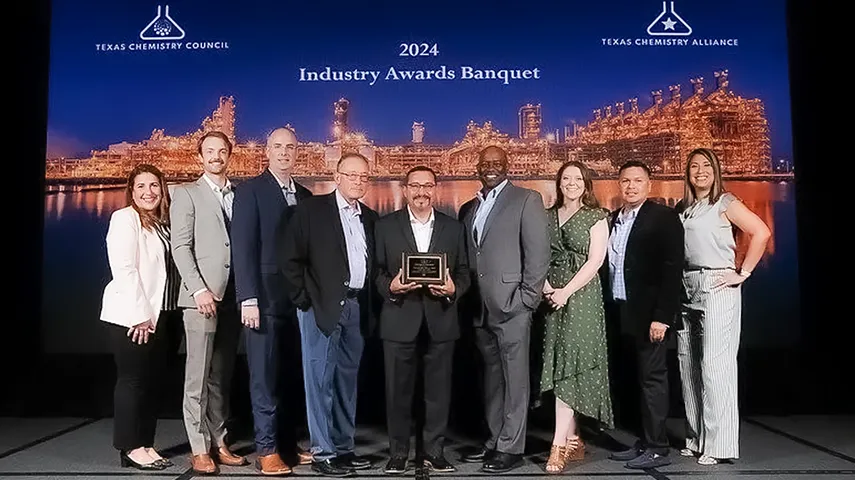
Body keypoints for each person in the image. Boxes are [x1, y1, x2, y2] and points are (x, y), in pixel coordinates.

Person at [279, 152, 379, 477]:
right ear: (337, 177)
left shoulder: (371, 217)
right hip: (319, 307)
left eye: (364, 176)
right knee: (319, 382)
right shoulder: (311, 210)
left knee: (346, 382)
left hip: (356, 308)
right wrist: (303, 301)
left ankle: (344, 448)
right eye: (352, 175)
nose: (358, 181)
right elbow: (290, 259)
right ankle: (323, 454)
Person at [675, 148, 771, 465]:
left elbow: (761, 232)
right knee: (688, 364)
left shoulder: (725, 202)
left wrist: (742, 272)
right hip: (686, 285)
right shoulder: (684, 208)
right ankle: (696, 437)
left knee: (715, 368)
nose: (700, 171)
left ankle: (718, 445)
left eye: (706, 166)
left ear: (715, 171)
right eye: (694, 167)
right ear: (687, 173)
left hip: (717, 283)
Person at [458, 146, 550, 473]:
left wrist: (527, 299)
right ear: (478, 168)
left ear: (507, 166)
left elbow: (538, 256)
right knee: (492, 378)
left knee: (515, 379)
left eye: (497, 163)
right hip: (479, 308)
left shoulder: (527, 199)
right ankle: (496, 439)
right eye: (486, 164)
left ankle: (512, 446)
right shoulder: (470, 207)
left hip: (513, 305)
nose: (491, 167)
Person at [374, 166, 470, 475]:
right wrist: (391, 286)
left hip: (441, 318)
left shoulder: (454, 228)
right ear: (404, 190)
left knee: (438, 393)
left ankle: (435, 452)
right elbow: (376, 272)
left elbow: (465, 272)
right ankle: (399, 452)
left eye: (427, 186)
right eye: (415, 186)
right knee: (396, 393)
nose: (421, 192)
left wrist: (455, 288)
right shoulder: (385, 226)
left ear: (436, 189)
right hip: (399, 316)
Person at [232, 127, 312, 475]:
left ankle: (289, 447)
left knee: (291, 375)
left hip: (298, 302)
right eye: (277, 147)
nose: (284, 153)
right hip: (262, 301)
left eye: (290, 148)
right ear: (267, 151)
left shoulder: (306, 195)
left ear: (297, 153)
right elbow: (243, 247)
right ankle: (267, 450)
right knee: (264, 377)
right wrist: (246, 297)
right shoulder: (250, 191)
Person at [171, 131, 247, 475]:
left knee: (221, 376)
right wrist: (199, 289)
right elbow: (180, 247)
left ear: (229, 155)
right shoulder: (187, 194)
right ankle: (199, 448)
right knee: (197, 377)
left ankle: (220, 441)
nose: (216, 156)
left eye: (221, 151)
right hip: (202, 298)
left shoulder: (239, 194)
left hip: (233, 297)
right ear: (200, 156)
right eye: (209, 151)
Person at [604, 160, 684, 470]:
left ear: (648, 185)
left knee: (653, 381)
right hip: (621, 312)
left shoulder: (663, 218)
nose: (631, 186)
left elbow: (671, 270)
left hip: (650, 316)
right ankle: (643, 440)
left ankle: (657, 447)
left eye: (638, 181)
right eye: (626, 181)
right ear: (619, 184)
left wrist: (662, 316)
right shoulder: (614, 219)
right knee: (634, 380)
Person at [100, 164, 180, 471]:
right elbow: (124, 269)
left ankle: (146, 443)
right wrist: (140, 317)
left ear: (163, 189)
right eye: (141, 187)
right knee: (132, 382)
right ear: (131, 192)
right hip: (134, 318)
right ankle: (129, 448)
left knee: (153, 383)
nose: (148, 192)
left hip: (164, 315)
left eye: (154, 186)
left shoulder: (163, 222)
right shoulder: (124, 219)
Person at [539, 161, 613, 474]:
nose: (571, 183)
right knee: (559, 364)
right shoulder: (546, 216)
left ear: (586, 183)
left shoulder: (596, 217)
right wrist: (545, 286)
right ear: (558, 183)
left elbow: (596, 260)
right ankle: (572, 439)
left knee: (572, 364)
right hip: (551, 296)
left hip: (581, 296)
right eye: (566, 178)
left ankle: (557, 446)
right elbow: (537, 254)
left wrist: (566, 291)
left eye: (577, 178)